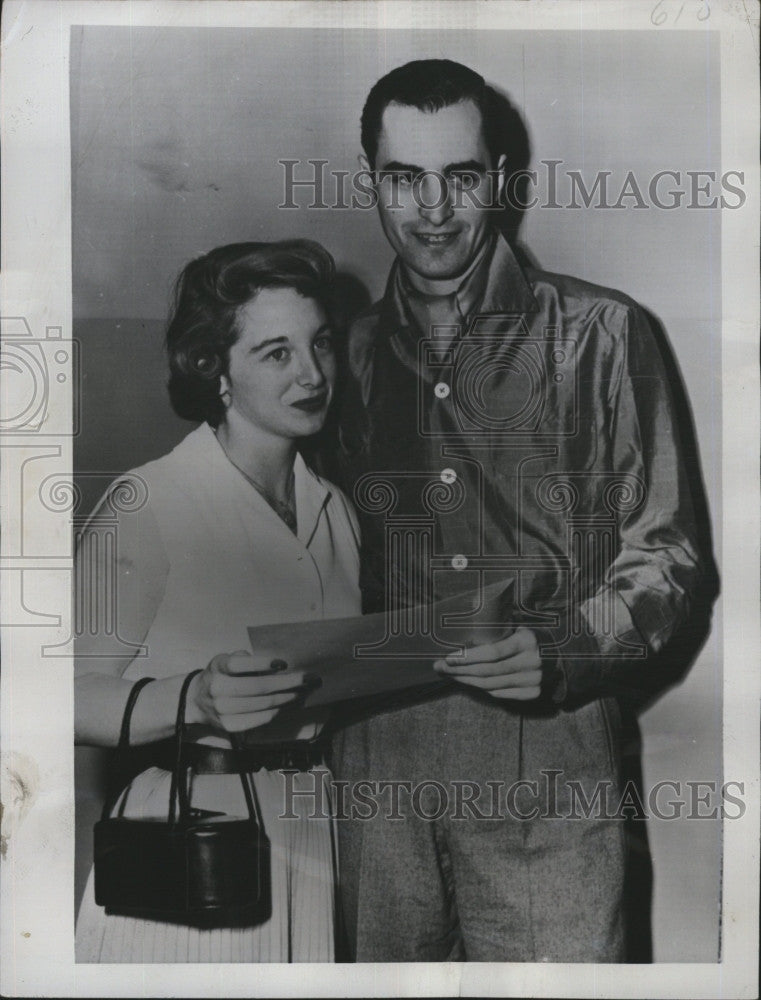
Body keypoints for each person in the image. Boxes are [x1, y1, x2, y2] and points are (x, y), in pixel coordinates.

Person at [329, 59, 706, 962]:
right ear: (370, 181)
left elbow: (668, 558)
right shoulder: (338, 355)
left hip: (551, 748)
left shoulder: (604, 334)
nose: (432, 209)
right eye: (402, 179)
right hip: (377, 757)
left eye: (458, 177)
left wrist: (564, 649)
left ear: (498, 179)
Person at [74, 240, 361, 963]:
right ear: (216, 370)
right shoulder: (152, 500)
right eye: (275, 353)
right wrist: (194, 699)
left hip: (311, 830)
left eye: (319, 344)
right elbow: (57, 696)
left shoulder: (337, 510)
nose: (311, 373)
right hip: (189, 835)